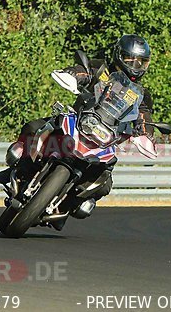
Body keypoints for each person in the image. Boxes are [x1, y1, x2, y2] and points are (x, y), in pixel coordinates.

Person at [13, 34, 156, 222]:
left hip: (106, 136)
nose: (135, 65)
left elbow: (144, 115)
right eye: (130, 59)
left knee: (104, 183)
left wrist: (144, 134)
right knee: (35, 126)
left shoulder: (141, 94)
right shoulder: (102, 69)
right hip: (78, 119)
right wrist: (72, 75)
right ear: (119, 55)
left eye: (141, 61)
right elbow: (83, 71)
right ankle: (22, 163)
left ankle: (67, 205)